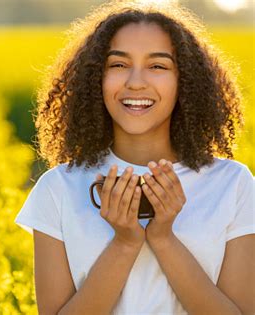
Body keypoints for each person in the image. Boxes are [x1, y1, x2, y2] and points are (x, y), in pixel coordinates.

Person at [13, 0, 254, 314]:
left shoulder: (233, 184)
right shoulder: (57, 188)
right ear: (95, 79)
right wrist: (124, 244)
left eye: (157, 66)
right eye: (118, 65)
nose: (136, 81)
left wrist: (164, 239)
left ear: (185, 82)